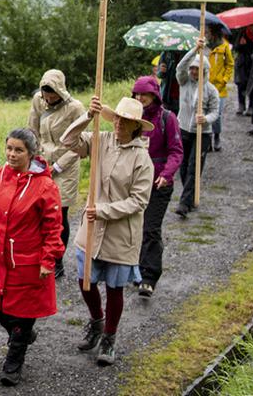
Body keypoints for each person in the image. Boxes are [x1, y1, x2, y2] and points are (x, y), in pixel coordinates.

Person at [0, 127, 64, 386]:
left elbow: (53, 228)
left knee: (22, 313)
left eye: (18, 150)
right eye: (9, 148)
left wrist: (48, 260)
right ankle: (21, 334)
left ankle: (13, 364)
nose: (11, 154)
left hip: (27, 262)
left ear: (31, 153)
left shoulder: (45, 186)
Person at [61, 96, 154, 366]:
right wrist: (88, 115)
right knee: (85, 279)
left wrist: (102, 210)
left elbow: (139, 201)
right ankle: (96, 321)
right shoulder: (102, 139)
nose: (118, 124)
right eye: (117, 119)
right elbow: (68, 141)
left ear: (136, 127)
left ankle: (109, 339)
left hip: (120, 233)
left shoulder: (141, 159)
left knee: (115, 288)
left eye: (124, 122)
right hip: (92, 228)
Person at [27, 70, 85, 279]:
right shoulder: (38, 101)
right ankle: (39, 254)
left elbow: (81, 142)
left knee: (59, 213)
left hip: (66, 164)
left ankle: (57, 259)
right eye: (46, 94)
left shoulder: (75, 108)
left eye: (52, 94)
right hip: (41, 162)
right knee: (38, 211)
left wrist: (58, 167)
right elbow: (32, 129)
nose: (49, 98)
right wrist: (32, 159)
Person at [130, 76, 181, 300]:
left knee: (150, 228)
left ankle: (149, 277)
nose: (140, 99)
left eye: (144, 94)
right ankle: (134, 268)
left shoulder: (167, 119)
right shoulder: (131, 117)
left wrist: (166, 175)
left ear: (155, 96)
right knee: (133, 227)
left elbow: (176, 151)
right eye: (137, 94)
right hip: (133, 182)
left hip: (158, 183)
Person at [173, 44, 220, 218]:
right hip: (183, 129)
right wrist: (195, 50)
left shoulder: (211, 90)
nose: (193, 71)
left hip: (202, 133)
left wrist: (205, 119)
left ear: (205, 70)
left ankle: (184, 203)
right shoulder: (184, 82)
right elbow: (180, 67)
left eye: (197, 69)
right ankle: (191, 196)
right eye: (192, 68)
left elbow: (215, 111)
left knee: (194, 166)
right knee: (183, 167)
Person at [207, 29, 234, 151]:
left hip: (219, 87)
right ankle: (207, 139)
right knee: (206, 114)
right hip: (205, 86)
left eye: (208, 32)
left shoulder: (224, 47)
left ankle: (217, 136)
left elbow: (230, 64)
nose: (207, 34)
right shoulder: (204, 47)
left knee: (216, 114)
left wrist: (225, 79)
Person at [231, 27, 253, 115]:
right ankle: (241, 105)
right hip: (242, 63)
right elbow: (235, 48)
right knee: (241, 84)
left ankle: (251, 106)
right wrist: (240, 44)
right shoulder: (242, 33)